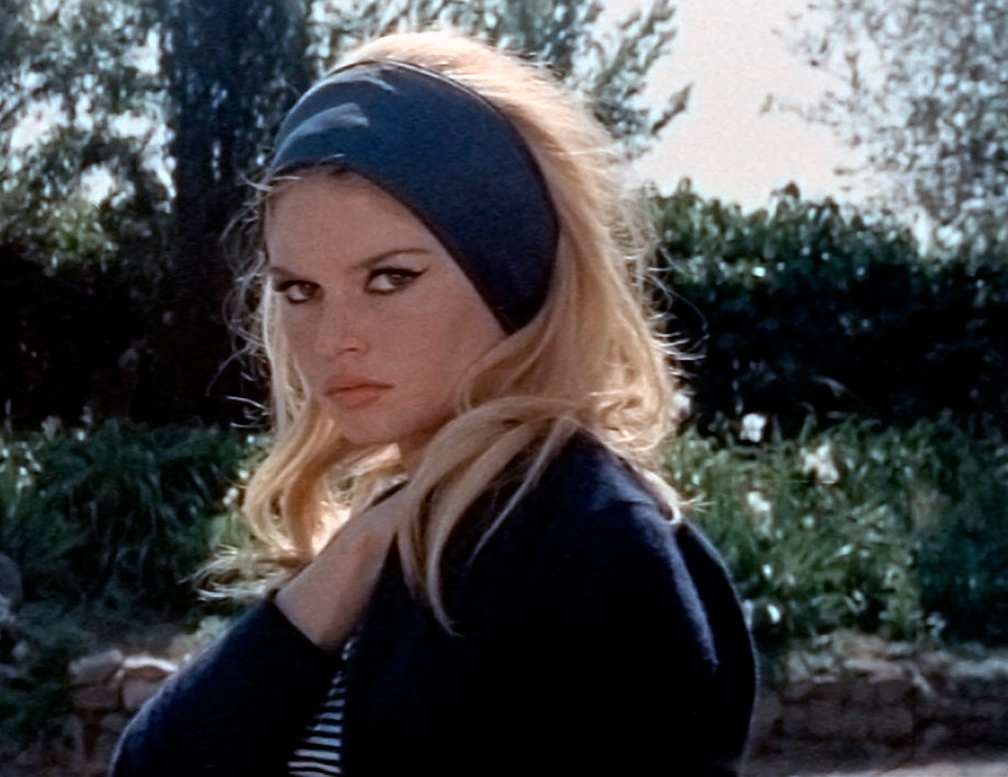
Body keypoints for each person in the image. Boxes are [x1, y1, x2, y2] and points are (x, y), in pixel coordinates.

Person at [111, 28, 756, 777]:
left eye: (389, 278)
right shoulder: (394, 533)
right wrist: (350, 560)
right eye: (300, 290)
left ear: (510, 274)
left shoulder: (595, 545)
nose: (334, 338)